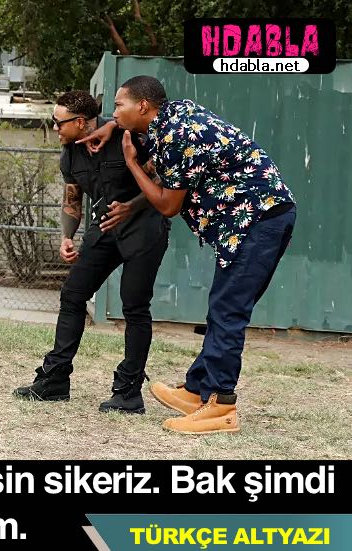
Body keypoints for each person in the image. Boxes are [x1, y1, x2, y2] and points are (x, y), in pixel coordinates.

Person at [80, 76, 297, 434]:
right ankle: (198, 391)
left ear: (143, 106)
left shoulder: (178, 137)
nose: (113, 113)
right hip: (257, 217)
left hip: (258, 219)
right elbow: (143, 134)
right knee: (222, 305)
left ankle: (221, 406)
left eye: (118, 106)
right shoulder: (174, 115)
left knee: (229, 310)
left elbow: (167, 205)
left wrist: (131, 163)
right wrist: (113, 127)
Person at [13, 90, 170, 414]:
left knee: (134, 306)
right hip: (105, 230)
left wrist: (131, 206)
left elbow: (160, 179)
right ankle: (55, 380)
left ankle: (128, 393)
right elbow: (72, 201)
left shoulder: (126, 136)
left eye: (59, 122)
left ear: (81, 122)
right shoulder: (70, 155)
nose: (55, 127)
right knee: (73, 294)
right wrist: (66, 236)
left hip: (144, 228)